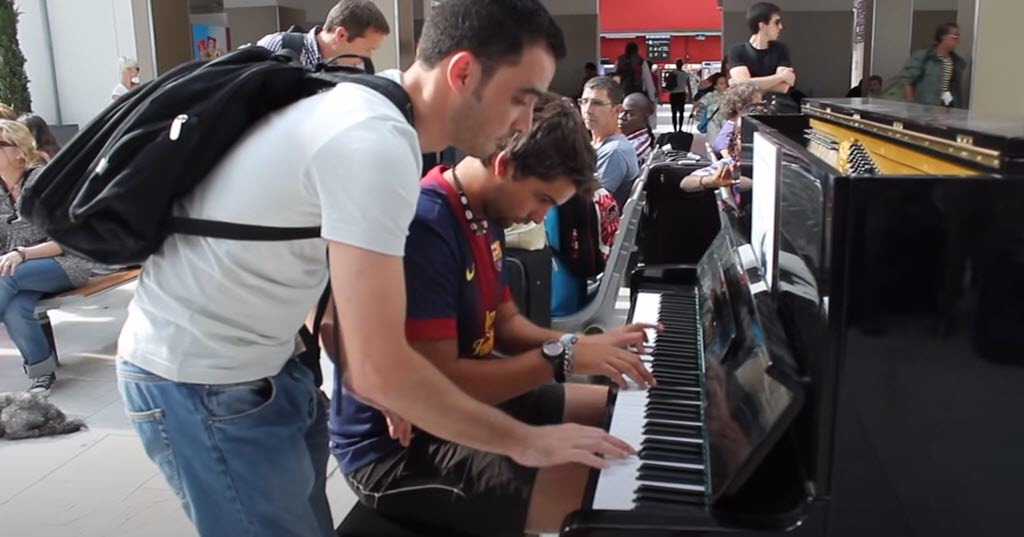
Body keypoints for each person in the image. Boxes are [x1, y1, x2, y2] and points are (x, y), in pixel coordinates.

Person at [115, 1, 632, 536]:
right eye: (521, 100)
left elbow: (344, 304)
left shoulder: (377, 109)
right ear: (462, 73)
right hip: (201, 378)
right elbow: (378, 368)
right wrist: (527, 442)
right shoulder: (375, 140)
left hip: (263, 371)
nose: (523, 124)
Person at [333, 94, 655, 537]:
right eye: (542, 198)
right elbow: (443, 381)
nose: (541, 214)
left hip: (466, 400)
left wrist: (577, 347)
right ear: (504, 164)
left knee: (625, 420)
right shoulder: (428, 226)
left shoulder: (484, 214)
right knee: (611, 503)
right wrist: (558, 360)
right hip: (398, 449)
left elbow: (505, 324)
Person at [0, 120, 95, 396]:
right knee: (16, 308)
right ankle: (42, 373)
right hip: (15, 267)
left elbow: (66, 238)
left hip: (64, 262)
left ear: (19, 151)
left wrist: (22, 253)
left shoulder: (44, 181)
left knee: (9, 278)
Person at [257, 0, 389, 68]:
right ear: (341, 35)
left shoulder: (350, 75)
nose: (369, 57)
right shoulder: (278, 46)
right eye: (368, 49)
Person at [580, 76, 638, 209]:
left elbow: (591, 204)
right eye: (584, 101)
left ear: (617, 110)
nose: (587, 110)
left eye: (597, 103)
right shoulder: (596, 145)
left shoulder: (614, 152)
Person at [727, 2, 795, 95]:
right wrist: (781, 77)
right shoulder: (737, 51)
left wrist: (748, 85)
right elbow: (743, 85)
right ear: (762, 25)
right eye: (776, 22)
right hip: (748, 108)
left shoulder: (781, 49)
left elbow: (783, 88)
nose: (780, 27)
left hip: (776, 107)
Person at [895, 22, 967, 107]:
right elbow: (907, 81)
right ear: (943, 37)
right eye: (955, 37)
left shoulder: (957, 61)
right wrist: (912, 106)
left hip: (948, 109)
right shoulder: (924, 57)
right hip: (926, 108)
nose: (957, 40)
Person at [711, 81, 762, 158]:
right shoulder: (731, 130)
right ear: (740, 107)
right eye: (756, 106)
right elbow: (725, 153)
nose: (761, 109)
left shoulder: (731, 125)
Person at [620, 93, 655, 167]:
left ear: (645, 117)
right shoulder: (625, 140)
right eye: (621, 112)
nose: (621, 117)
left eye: (630, 114)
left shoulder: (635, 145)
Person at [693, 73, 728, 143]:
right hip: (713, 124)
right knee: (714, 145)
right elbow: (698, 104)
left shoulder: (730, 96)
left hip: (726, 124)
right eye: (721, 83)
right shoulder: (710, 96)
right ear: (715, 86)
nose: (725, 85)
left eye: (726, 83)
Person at [668, 59, 691, 132]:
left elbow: (668, 83)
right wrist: (690, 94)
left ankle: (674, 129)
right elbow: (688, 85)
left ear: (676, 64)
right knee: (681, 112)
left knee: (674, 113)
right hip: (681, 94)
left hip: (673, 94)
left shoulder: (672, 73)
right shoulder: (685, 74)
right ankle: (680, 128)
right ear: (682, 65)